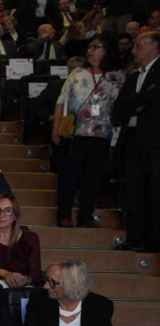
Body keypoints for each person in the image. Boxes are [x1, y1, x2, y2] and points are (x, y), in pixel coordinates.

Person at [52, 39, 124, 228]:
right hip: (75, 133)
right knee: (69, 177)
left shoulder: (117, 76)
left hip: (102, 135)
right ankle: (64, 215)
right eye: (89, 47)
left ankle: (86, 216)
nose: (90, 51)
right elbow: (61, 101)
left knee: (92, 179)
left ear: (107, 51)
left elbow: (120, 108)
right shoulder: (77, 73)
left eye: (96, 47)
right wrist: (56, 129)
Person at [112, 31, 159, 252]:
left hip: (154, 142)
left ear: (154, 47)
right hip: (131, 140)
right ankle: (134, 238)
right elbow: (118, 111)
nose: (134, 50)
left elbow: (152, 101)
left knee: (153, 190)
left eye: (139, 46)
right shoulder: (132, 77)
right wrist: (138, 104)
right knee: (133, 191)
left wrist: (136, 104)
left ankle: (152, 240)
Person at [0, 193, 42, 288]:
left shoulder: (30, 238)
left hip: (23, 289)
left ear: (15, 216)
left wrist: (24, 280)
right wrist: (6, 274)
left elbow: (35, 273)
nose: (2, 215)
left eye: (8, 211)